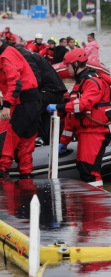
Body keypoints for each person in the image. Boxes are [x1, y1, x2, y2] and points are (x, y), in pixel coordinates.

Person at [0, 28, 41, 179]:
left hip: (21, 104)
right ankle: (26, 178)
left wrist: (6, 105)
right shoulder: (11, 51)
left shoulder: (4, 57)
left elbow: (15, 83)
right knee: (26, 142)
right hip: (34, 102)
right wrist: (3, 95)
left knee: (4, 140)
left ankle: (3, 179)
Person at [47, 49, 111, 189]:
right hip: (85, 133)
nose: (66, 69)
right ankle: (90, 205)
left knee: (90, 171)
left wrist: (59, 107)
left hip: (95, 133)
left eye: (68, 65)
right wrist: (64, 142)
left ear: (76, 64)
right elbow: (72, 118)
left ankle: (96, 206)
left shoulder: (92, 83)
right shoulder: (79, 84)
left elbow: (83, 105)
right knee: (84, 169)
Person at [15, 44, 67, 146]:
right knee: (43, 115)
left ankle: (38, 137)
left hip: (51, 91)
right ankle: (46, 140)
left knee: (31, 103)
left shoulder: (25, 57)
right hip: (52, 89)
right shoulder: (26, 54)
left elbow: (35, 80)